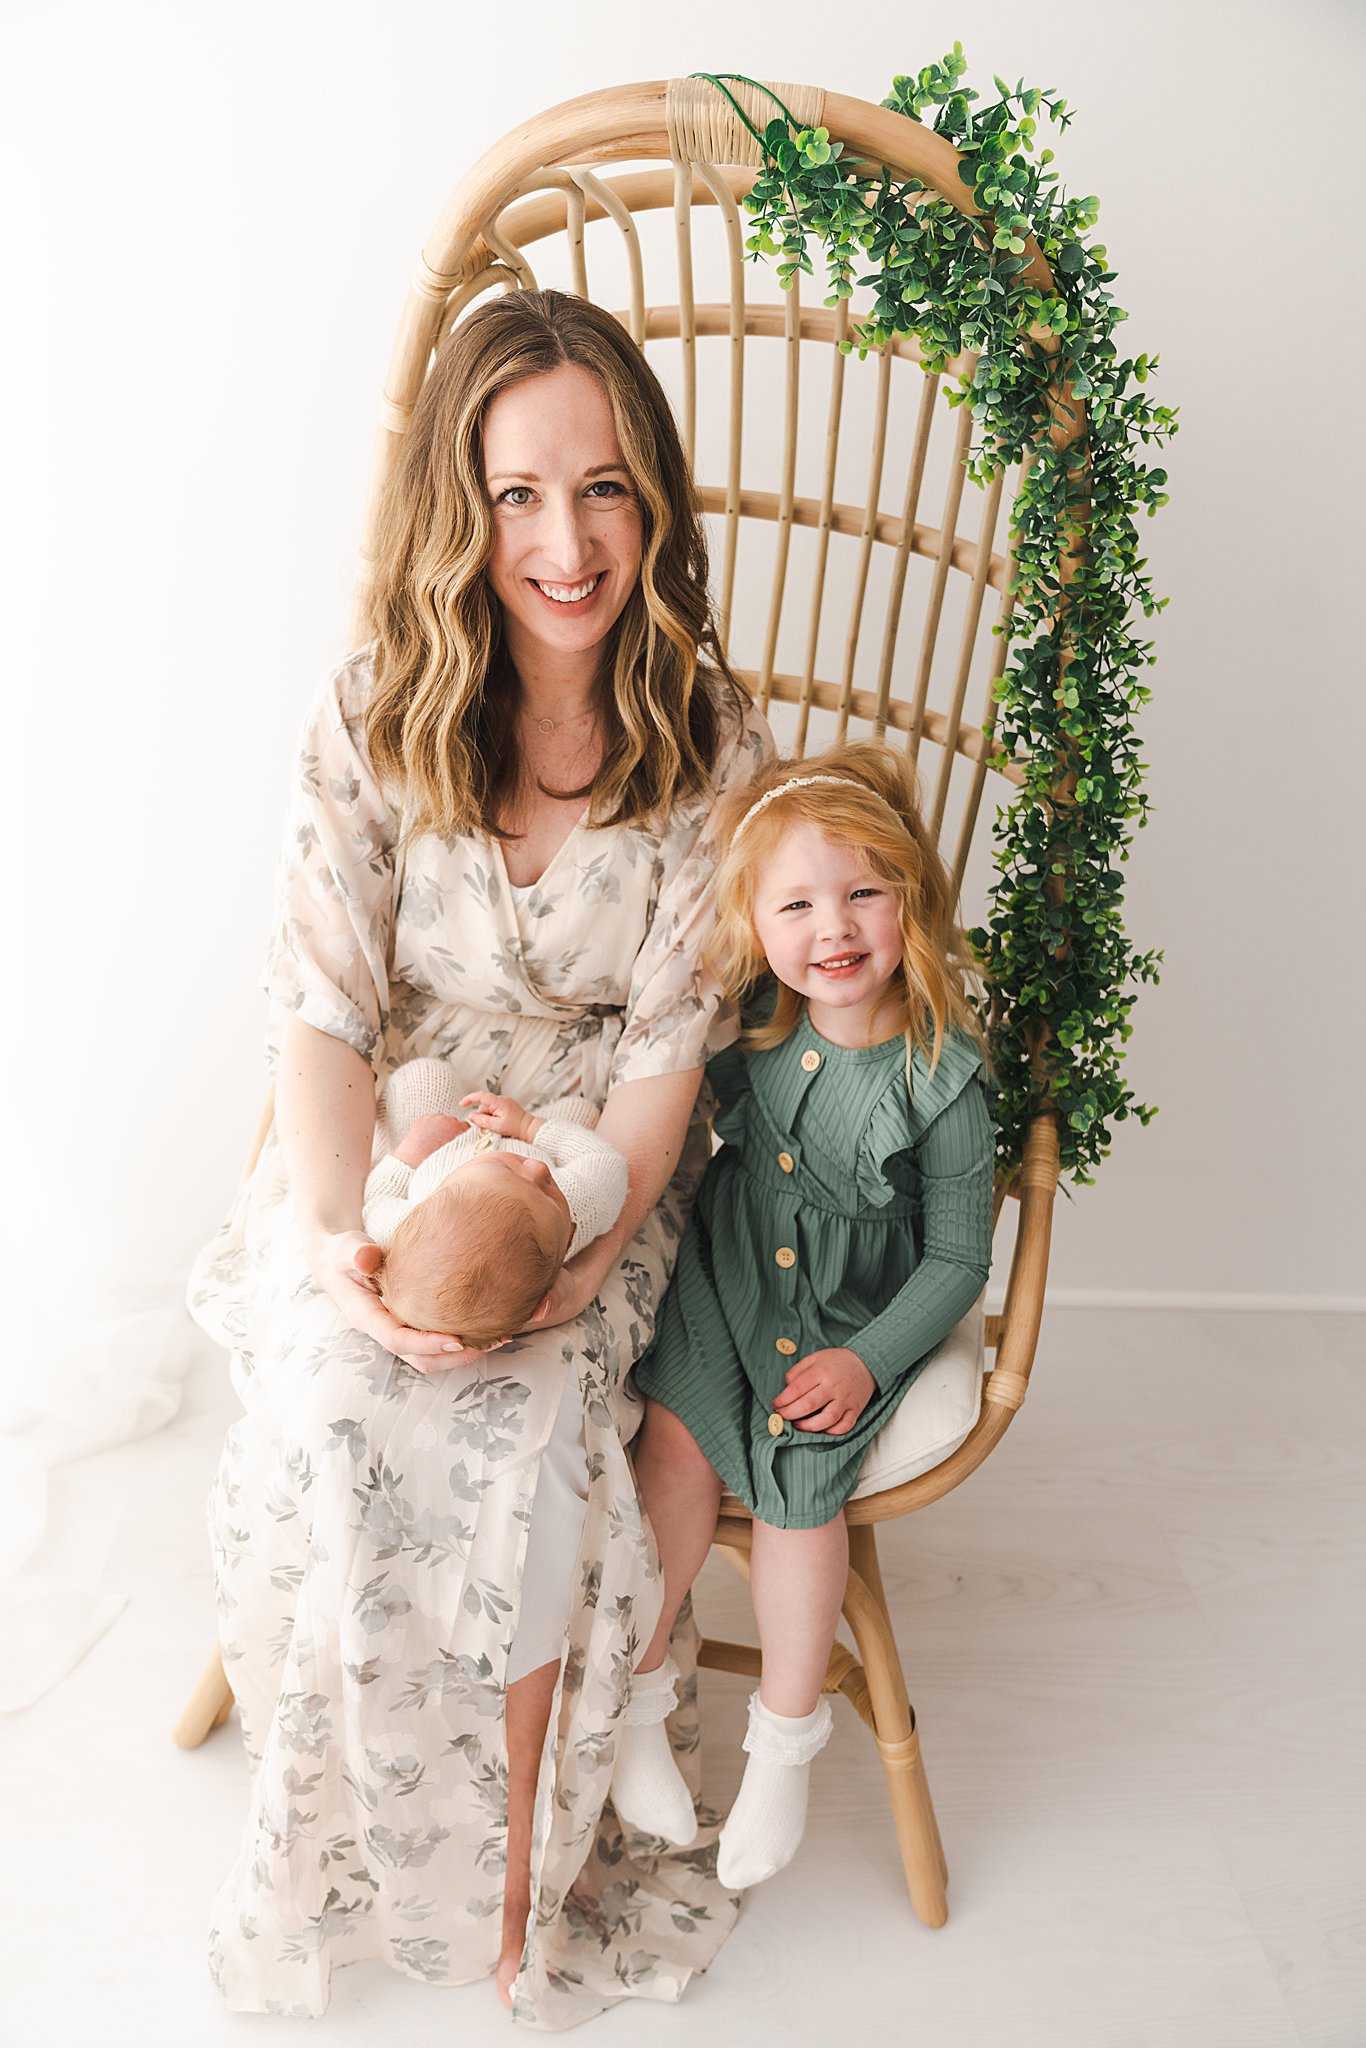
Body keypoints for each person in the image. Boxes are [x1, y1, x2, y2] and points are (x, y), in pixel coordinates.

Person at [186, 286, 772, 2024]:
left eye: (603, 488)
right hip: (384, 1139)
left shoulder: (709, 743)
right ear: (466, 503)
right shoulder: (373, 711)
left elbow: (668, 1065)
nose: (567, 540)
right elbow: (319, 1012)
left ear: (652, 501)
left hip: (598, 1157)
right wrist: (337, 1250)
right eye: (520, 493)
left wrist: (585, 1260)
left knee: (524, 1428)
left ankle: (517, 1860)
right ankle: (350, 1839)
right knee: (357, 1402)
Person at [614, 742, 995, 1888]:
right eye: (797, 903)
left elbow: (958, 1258)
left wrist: (869, 1360)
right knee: (674, 1443)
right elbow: (667, 1101)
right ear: (758, 922)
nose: (833, 927)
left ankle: (784, 1738)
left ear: (910, 900)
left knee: (800, 1482)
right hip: (727, 1274)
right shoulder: (756, 1026)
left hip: (839, 1313)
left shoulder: (943, 1075)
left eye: (862, 892)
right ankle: (635, 1699)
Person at [362, 1064, 629, 1347]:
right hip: (527, 1137)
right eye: (549, 1193)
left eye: (506, 1170)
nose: (538, 1170)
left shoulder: (406, 1232)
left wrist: (411, 1153)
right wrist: (530, 1126)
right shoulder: (576, 1212)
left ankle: (390, 1145)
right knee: (582, 1113)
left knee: (427, 1076)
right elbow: (606, 1162)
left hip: (443, 1139)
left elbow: (378, 1198)